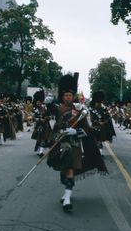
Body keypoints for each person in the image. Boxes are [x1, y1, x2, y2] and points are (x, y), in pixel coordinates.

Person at [46, 73, 108, 212]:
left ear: (73, 96)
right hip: (59, 142)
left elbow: (88, 128)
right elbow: (50, 111)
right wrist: (48, 102)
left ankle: (67, 199)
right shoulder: (58, 108)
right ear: (62, 96)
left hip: (73, 144)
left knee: (69, 168)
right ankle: (67, 193)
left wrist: (76, 132)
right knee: (64, 170)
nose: (68, 97)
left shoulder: (79, 110)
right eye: (66, 95)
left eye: (70, 95)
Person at [89, 91, 116, 156]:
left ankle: (100, 152)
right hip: (95, 126)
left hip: (102, 126)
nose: (98, 104)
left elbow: (108, 117)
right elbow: (92, 118)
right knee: (95, 140)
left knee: (100, 139)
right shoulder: (92, 109)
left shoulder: (104, 108)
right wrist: (98, 122)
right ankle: (96, 151)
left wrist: (105, 122)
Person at [31, 90, 52, 157]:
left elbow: (50, 116)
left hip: (46, 125)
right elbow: (33, 118)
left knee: (44, 138)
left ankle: (41, 152)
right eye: (37, 102)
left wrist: (45, 119)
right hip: (38, 125)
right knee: (39, 138)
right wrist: (39, 119)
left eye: (39, 102)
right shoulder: (34, 109)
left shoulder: (45, 108)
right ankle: (41, 150)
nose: (38, 103)